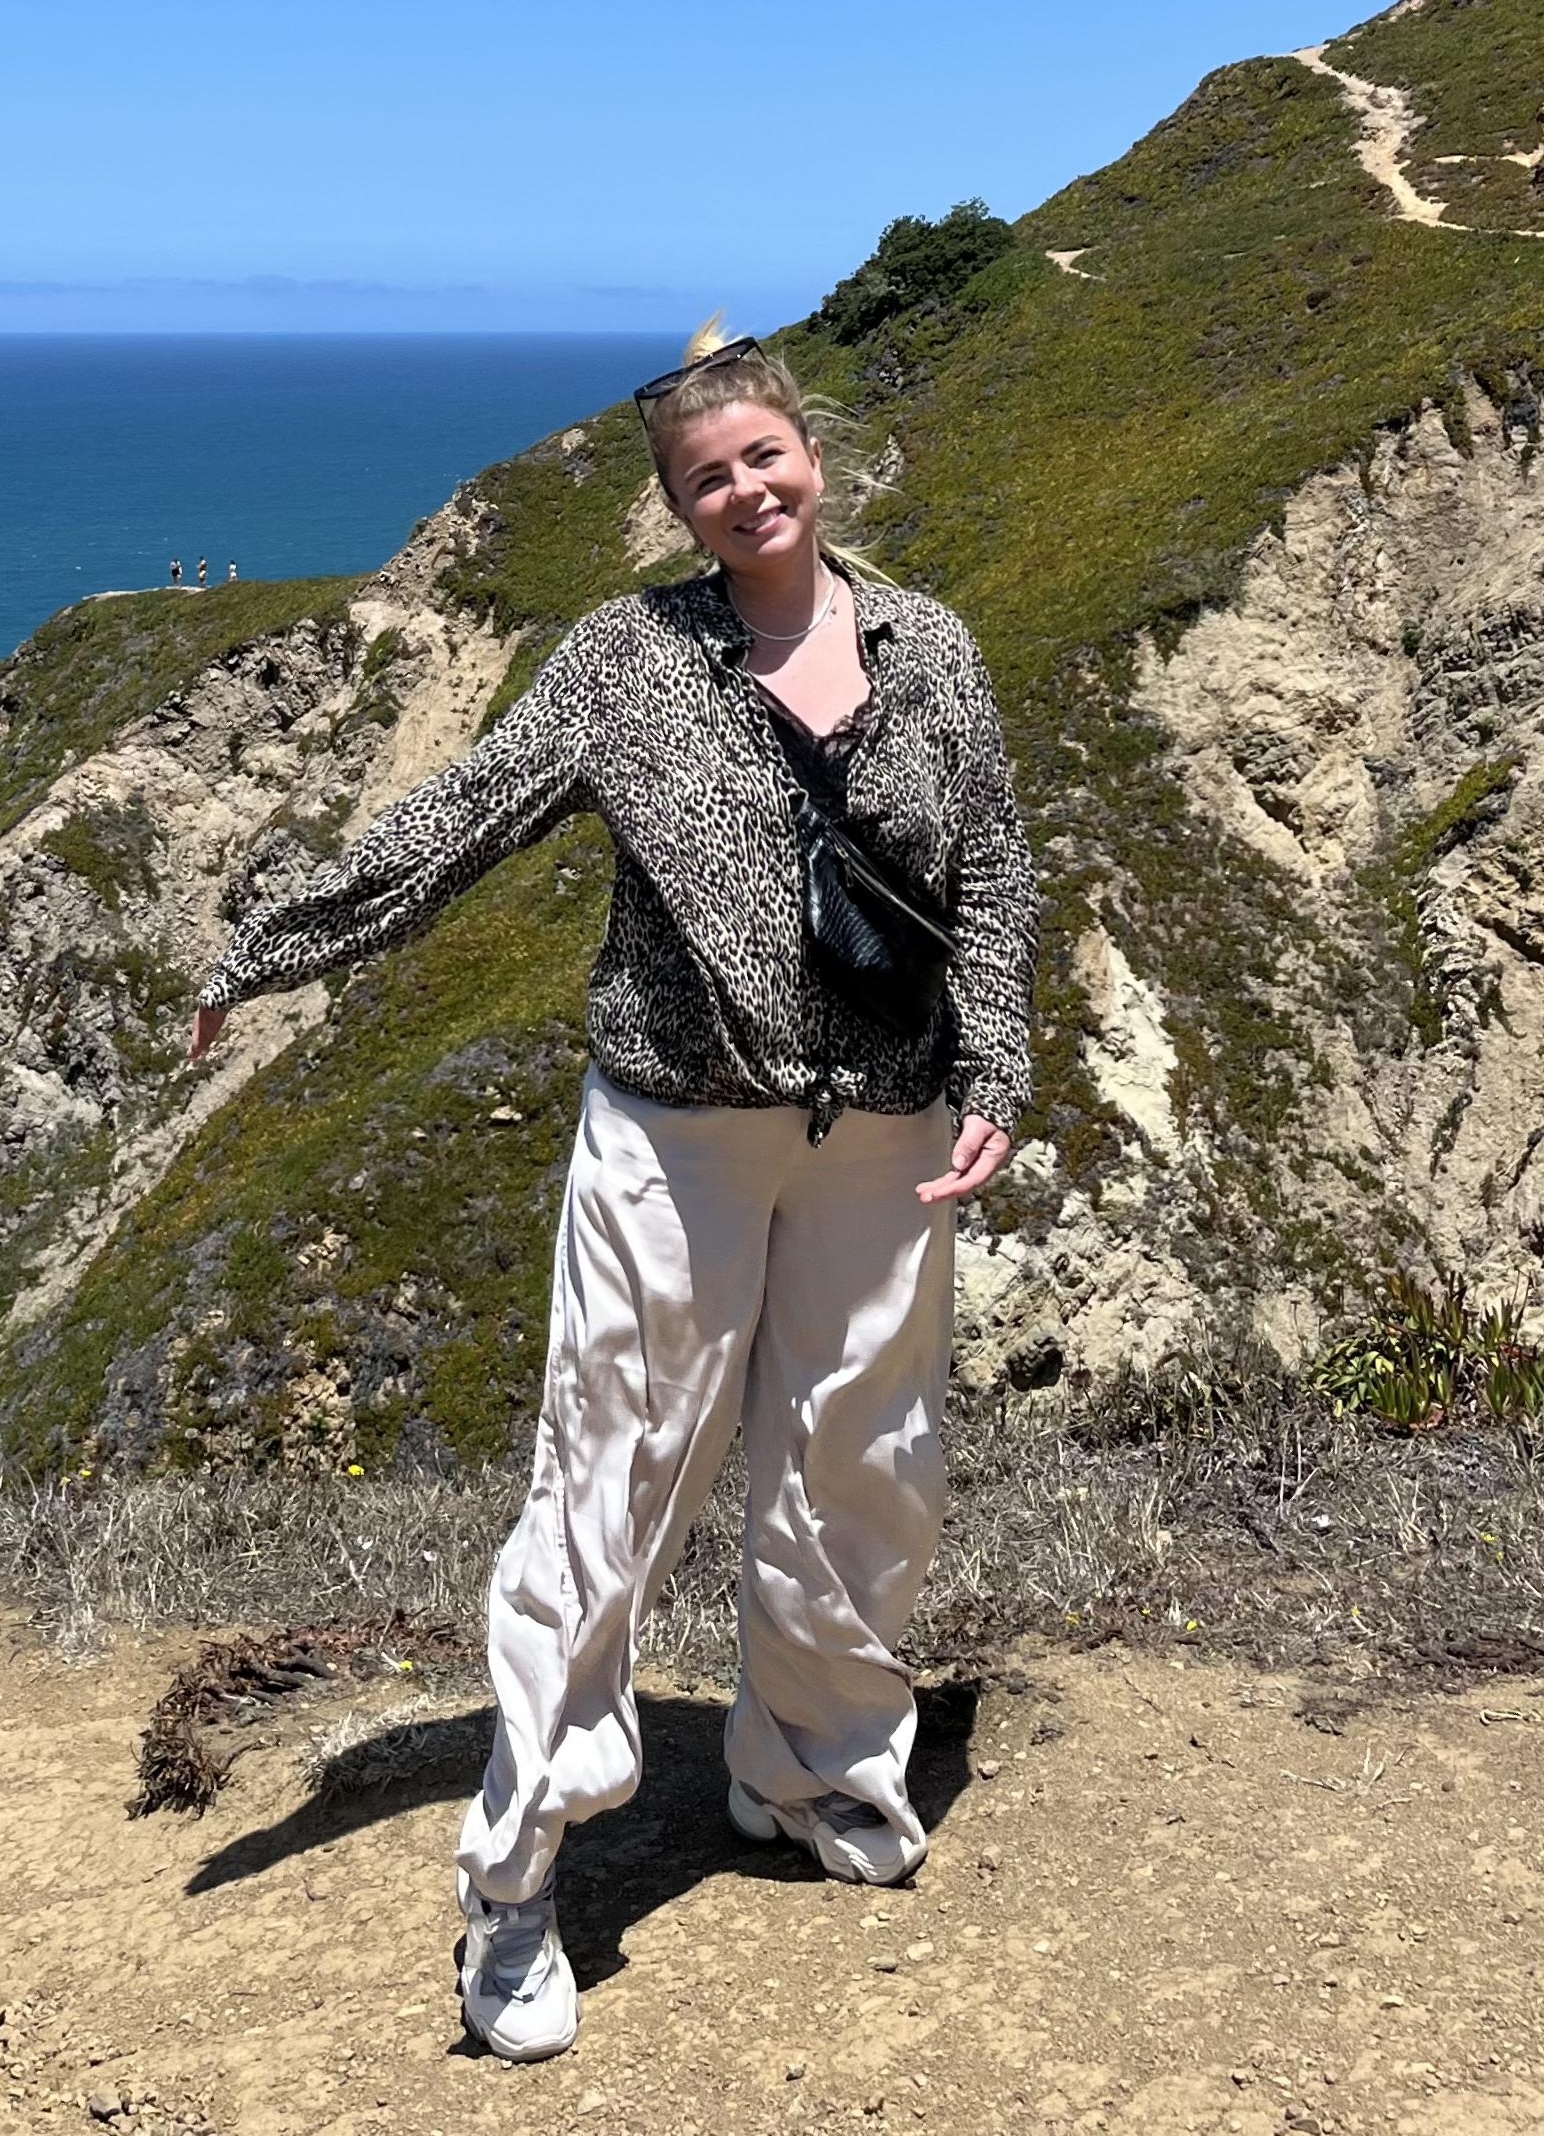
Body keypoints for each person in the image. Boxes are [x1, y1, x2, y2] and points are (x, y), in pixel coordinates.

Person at [187, 325, 1038, 2062]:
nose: (747, 491)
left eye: (766, 457)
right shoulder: (626, 662)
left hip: (884, 1126)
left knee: (861, 1461)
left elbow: (994, 871)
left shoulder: (932, 645)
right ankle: (518, 1877)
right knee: (609, 1485)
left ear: (816, 460)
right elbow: (460, 819)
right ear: (676, 507)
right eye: (708, 477)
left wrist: (998, 1068)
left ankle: (811, 1769)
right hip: (677, 1130)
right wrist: (271, 943)